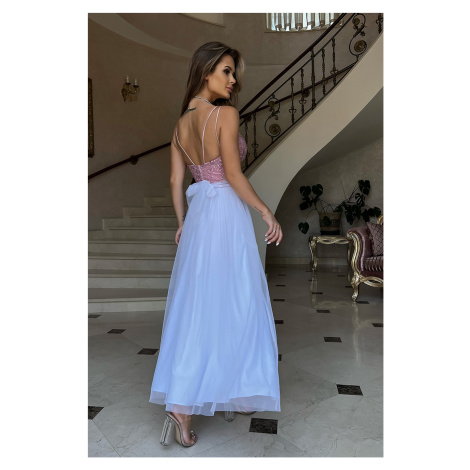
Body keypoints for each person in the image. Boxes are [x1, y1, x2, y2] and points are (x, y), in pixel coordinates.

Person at [149, 41, 282, 448]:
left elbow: (176, 181)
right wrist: (265, 211)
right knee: (235, 298)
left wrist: (182, 223)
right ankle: (207, 397)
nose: (233, 79)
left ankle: (202, 396)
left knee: (199, 303)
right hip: (224, 211)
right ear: (205, 71)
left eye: (233, 72)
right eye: (226, 70)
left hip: (200, 218)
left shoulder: (179, 126)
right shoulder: (225, 114)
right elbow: (233, 175)